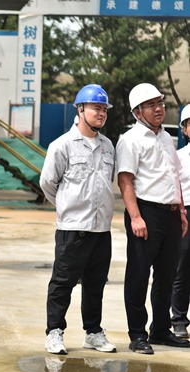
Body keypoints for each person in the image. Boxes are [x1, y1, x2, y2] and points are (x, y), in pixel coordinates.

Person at [39, 84, 117, 355]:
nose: (102, 113)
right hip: (73, 229)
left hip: (101, 228)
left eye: (104, 109)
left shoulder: (108, 146)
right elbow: (48, 184)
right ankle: (54, 332)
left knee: (96, 284)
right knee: (62, 283)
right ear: (80, 109)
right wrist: (67, 207)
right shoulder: (62, 145)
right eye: (96, 108)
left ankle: (93, 332)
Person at [116, 83, 190, 355]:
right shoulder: (130, 140)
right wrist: (135, 217)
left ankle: (160, 329)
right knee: (138, 273)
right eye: (151, 105)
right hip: (146, 212)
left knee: (167, 274)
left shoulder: (166, 138)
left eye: (160, 103)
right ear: (137, 112)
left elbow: (174, 176)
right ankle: (137, 333)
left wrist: (180, 211)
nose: (158, 109)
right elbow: (125, 180)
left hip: (170, 214)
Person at [171, 105, 190, 339]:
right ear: (184, 129)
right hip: (186, 213)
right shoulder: (179, 157)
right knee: (182, 268)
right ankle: (178, 319)